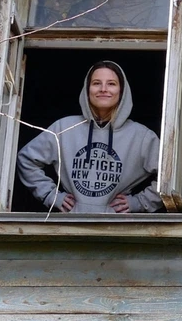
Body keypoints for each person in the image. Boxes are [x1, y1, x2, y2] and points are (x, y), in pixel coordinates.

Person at [17, 60, 163, 213]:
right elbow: (26, 159)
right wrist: (50, 195)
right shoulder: (64, 128)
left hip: (118, 228)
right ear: (87, 90)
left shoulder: (141, 136)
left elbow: (170, 177)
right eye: (96, 83)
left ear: (122, 91)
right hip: (70, 225)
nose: (103, 89)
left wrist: (140, 202)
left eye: (111, 84)